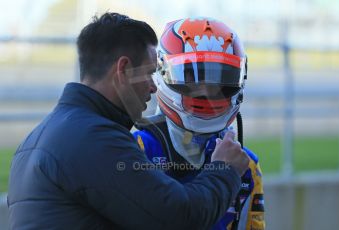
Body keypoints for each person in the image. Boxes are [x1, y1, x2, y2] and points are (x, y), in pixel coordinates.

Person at [7, 12, 250, 229]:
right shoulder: (93, 138)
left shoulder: (39, 136)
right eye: (148, 74)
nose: (154, 87)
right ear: (123, 70)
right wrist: (224, 169)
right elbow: (178, 217)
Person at [133, 17, 265, 230]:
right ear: (163, 73)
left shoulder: (246, 166)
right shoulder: (137, 150)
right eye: (193, 80)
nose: (206, 93)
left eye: (219, 81)